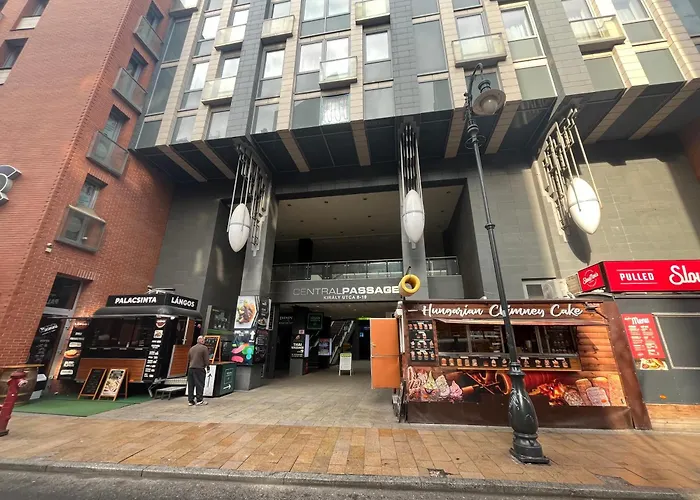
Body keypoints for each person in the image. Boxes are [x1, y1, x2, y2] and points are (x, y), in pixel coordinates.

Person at [187, 336, 209, 406]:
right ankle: (199, 400)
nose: (204, 341)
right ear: (201, 341)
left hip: (191, 368)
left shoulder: (192, 348)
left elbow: (189, 358)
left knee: (191, 385)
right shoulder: (204, 348)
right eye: (204, 340)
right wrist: (208, 366)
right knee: (199, 384)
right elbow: (206, 359)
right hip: (199, 368)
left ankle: (190, 401)